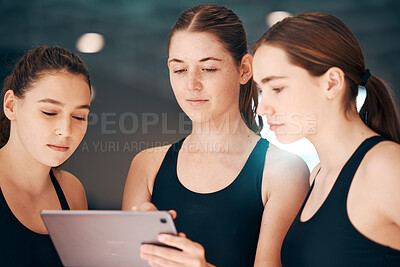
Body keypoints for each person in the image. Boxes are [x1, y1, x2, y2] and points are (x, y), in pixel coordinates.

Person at [123, 4, 309, 267]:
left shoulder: (283, 171)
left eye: (208, 69)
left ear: (244, 69)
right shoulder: (146, 166)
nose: (192, 85)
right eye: (179, 70)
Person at [252, 11, 400, 267]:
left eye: (276, 88)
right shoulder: (318, 174)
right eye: (261, 91)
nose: (262, 109)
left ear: (331, 83)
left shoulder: (385, 167)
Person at [0, 46, 92, 266]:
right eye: (49, 112)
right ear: (11, 106)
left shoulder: (72, 192)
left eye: (79, 117)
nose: (66, 130)